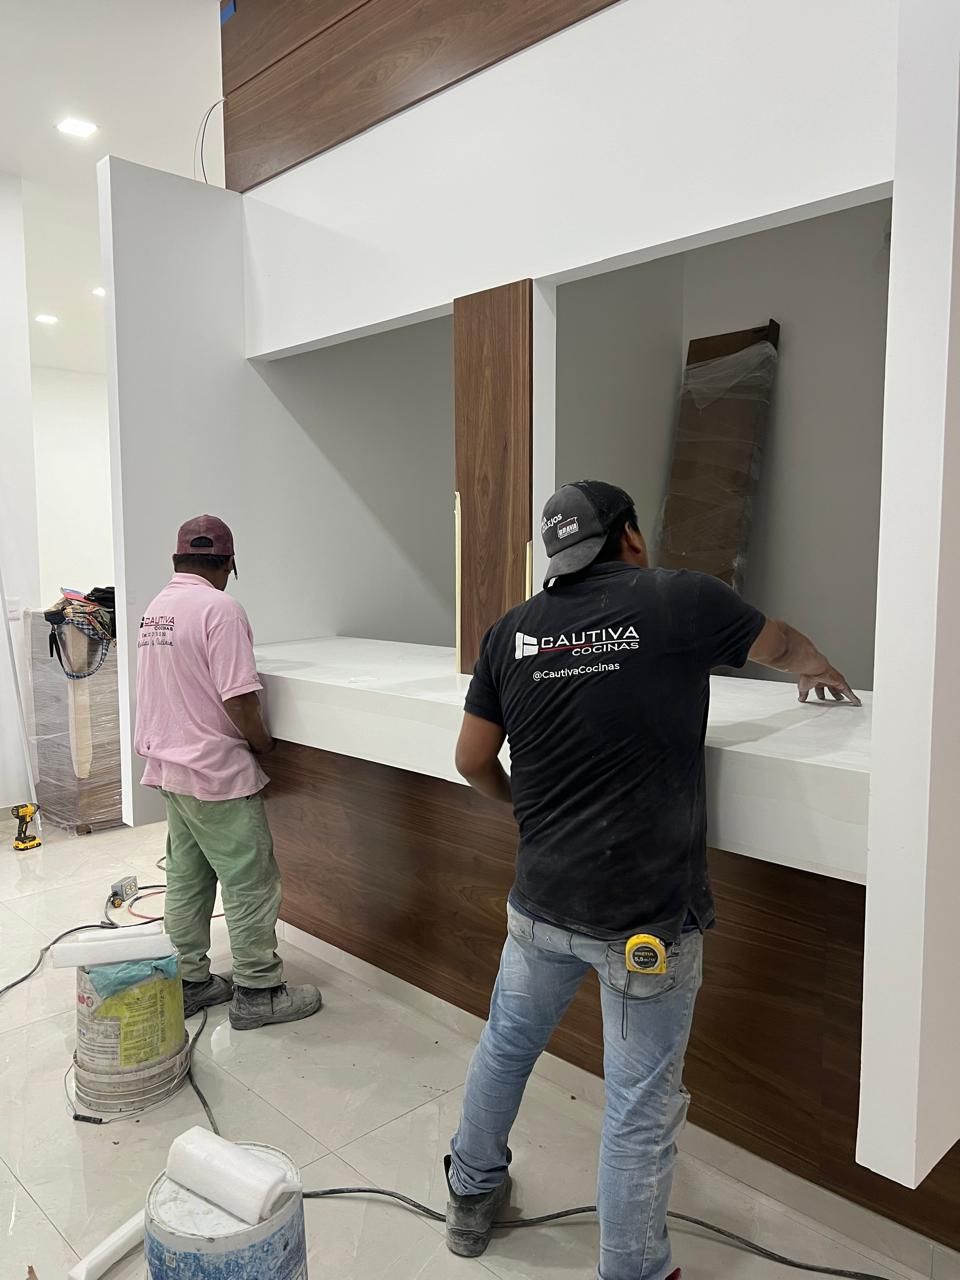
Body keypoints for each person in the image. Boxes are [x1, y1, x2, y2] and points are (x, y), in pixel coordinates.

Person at [443, 481, 860, 1280]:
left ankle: (470, 1196)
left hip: (540, 902)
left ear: (556, 557)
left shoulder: (510, 633)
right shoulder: (678, 602)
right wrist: (815, 662)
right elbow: (777, 643)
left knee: (506, 1046)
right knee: (636, 1109)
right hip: (644, 923)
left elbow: (470, 760)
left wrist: (525, 810)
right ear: (629, 537)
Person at [135, 515, 322, 1030]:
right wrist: (261, 744)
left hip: (170, 770)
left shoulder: (157, 609)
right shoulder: (220, 608)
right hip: (214, 771)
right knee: (250, 882)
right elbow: (238, 694)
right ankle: (259, 991)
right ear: (228, 564)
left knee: (188, 880)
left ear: (178, 560)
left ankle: (190, 981)